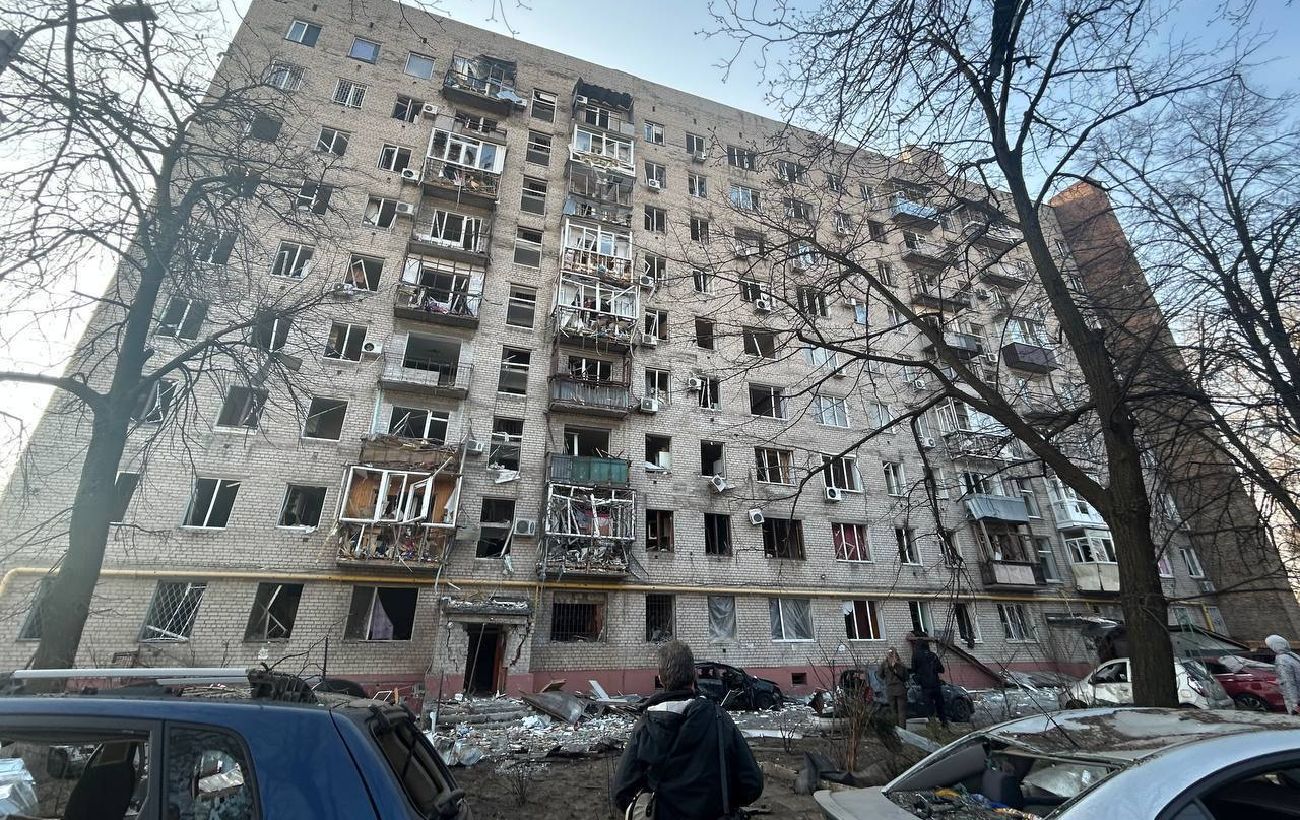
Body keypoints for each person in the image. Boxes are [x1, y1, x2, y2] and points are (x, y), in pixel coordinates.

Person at [614, 640, 764, 819]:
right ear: (694, 675)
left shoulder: (645, 725)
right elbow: (752, 784)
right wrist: (722, 801)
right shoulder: (718, 718)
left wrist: (652, 805)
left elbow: (622, 790)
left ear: (660, 679)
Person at [912, 638, 949, 727]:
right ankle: (944, 723)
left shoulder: (916, 656)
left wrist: (918, 678)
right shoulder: (933, 655)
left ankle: (932, 724)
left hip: (925, 686)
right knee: (939, 704)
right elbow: (941, 669)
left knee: (929, 706)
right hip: (935, 684)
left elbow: (914, 669)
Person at [1265, 634, 1300, 715]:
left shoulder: (1282, 660)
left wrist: (1295, 703)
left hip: (1296, 698)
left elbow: (1289, 682)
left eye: (1269, 646)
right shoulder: (1293, 655)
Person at [879, 647, 910, 728]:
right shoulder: (901, 664)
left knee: (893, 711)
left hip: (890, 690)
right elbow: (906, 677)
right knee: (902, 712)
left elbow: (880, 675)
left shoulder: (884, 664)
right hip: (900, 690)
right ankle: (902, 731)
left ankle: (895, 729)